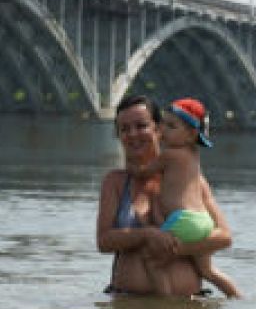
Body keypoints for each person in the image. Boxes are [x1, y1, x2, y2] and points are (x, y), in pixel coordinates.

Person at [96, 94, 234, 297]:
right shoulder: (115, 182)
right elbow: (104, 241)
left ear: (158, 129)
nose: (133, 134)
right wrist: (147, 234)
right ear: (118, 135)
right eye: (124, 129)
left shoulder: (189, 179)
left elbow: (224, 237)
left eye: (141, 125)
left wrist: (175, 247)